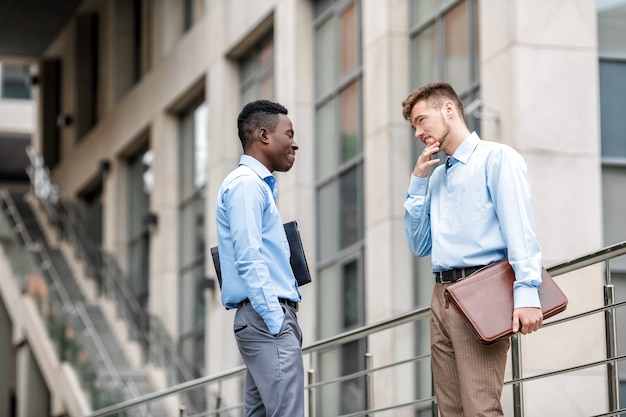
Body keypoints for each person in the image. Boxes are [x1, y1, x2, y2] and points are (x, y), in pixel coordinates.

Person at [401, 82, 544, 416]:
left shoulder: (497, 159)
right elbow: (420, 244)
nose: (418, 132)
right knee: (450, 411)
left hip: (482, 292)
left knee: (480, 408)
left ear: (449, 109)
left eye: (422, 120)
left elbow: (520, 230)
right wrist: (418, 182)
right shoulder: (436, 178)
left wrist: (526, 292)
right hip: (441, 297)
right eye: (413, 127)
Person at [215, 99, 304, 417]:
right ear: (264, 135)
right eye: (289, 133)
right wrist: (276, 322)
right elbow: (249, 257)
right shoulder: (246, 186)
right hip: (267, 319)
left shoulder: (256, 187)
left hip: (263, 319)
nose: (295, 142)